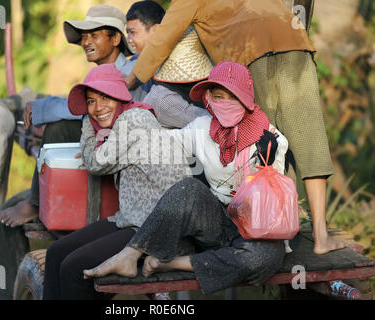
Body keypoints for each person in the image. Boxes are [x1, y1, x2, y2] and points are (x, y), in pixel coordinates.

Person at [124, 0, 344, 255]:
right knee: (307, 141)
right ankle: (320, 237)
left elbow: (162, 39)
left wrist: (130, 80)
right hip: (294, 46)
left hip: (250, 56)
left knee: (261, 148)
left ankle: (272, 229)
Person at [83, 61, 289, 295]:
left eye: (233, 97)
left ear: (246, 99)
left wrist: (264, 164)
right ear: (209, 98)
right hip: (217, 221)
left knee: (264, 259)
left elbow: (274, 202)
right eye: (218, 96)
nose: (224, 104)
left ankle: (172, 262)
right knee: (188, 188)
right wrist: (113, 133)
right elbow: (159, 144)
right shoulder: (201, 128)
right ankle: (131, 254)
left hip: (257, 226)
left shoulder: (271, 138)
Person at [0, 4, 150, 300]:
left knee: (58, 129)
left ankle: (35, 204)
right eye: (83, 37)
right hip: (103, 151)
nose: (85, 42)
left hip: (118, 162)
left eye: (93, 35)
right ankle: (1, 291)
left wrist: (40, 109)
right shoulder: (103, 75)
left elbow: (82, 110)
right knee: (7, 217)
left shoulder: (130, 71)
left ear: (116, 39)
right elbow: (76, 105)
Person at [42, 64, 189, 299]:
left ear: (120, 96)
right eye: (90, 101)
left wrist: (87, 127)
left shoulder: (134, 119)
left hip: (157, 227)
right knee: (56, 252)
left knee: (74, 267)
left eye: (105, 97)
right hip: (132, 219)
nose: (97, 108)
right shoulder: (125, 120)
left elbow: (96, 163)